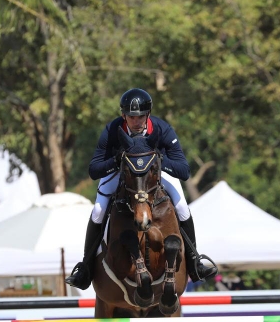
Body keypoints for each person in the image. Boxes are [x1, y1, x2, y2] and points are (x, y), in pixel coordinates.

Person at [66, 88, 217, 290]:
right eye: (131, 117)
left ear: (148, 115)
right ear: (123, 116)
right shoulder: (112, 130)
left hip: (155, 174)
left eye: (140, 117)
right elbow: (94, 170)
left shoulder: (162, 129)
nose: (136, 122)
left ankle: (194, 261)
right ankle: (85, 267)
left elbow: (184, 170)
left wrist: (158, 161)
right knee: (98, 211)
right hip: (121, 173)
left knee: (182, 207)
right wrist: (116, 160)